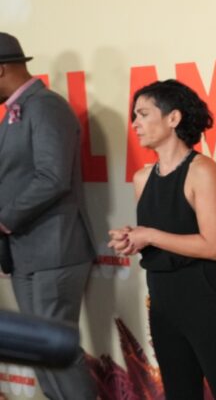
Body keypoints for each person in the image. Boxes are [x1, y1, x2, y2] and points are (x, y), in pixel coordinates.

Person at [108, 80, 216, 400]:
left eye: (143, 114)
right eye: (134, 115)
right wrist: (133, 238)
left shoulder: (202, 170)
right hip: (162, 299)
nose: (135, 123)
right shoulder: (142, 178)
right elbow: (159, 236)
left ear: (173, 118)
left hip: (204, 296)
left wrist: (150, 235)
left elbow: (212, 246)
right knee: (178, 392)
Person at [0, 33, 97, 400]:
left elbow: (52, 177)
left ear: (2, 69)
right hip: (27, 253)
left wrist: (4, 218)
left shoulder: (45, 106)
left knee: (57, 353)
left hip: (53, 251)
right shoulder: (15, 112)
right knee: (42, 354)